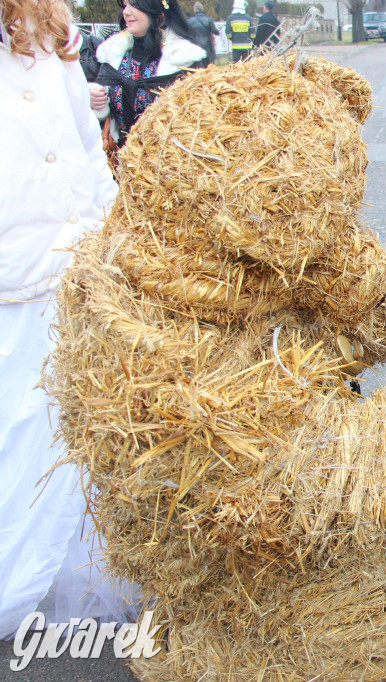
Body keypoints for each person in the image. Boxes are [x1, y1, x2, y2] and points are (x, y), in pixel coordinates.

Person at [0, 0, 135, 639]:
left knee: (79, 431)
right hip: (9, 286)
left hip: (73, 272)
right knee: (17, 429)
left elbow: (86, 153)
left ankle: (72, 575)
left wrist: (113, 240)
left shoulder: (55, 32)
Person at [88, 0, 206, 147]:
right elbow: (102, 114)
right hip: (119, 160)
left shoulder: (183, 61)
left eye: (134, 5)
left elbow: (197, 120)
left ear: (158, 11)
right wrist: (96, 101)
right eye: (125, 5)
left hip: (164, 161)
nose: (126, 12)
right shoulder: (112, 55)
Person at [187, 1, 218, 66]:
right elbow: (216, 32)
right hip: (208, 47)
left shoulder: (190, 21)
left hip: (197, 46)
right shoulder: (209, 20)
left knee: (199, 67)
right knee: (209, 67)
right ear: (202, 9)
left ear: (195, 9)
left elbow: (188, 34)